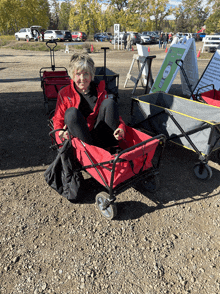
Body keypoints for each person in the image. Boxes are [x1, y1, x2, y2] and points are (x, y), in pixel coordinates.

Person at [53, 53, 126, 149]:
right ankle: (89, 153)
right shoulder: (64, 93)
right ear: (72, 75)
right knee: (71, 113)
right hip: (80, 138)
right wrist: (60, 133)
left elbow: (114, 115)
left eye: (86, 74)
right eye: (78, 74)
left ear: (91, 75)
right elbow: (58, 119)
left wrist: (121, 127)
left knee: (110, 103)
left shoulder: (100, 91)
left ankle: (111, 149)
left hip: (99, 136)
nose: (82, 79)